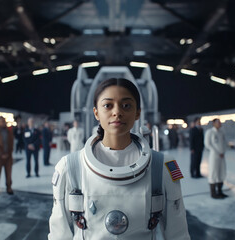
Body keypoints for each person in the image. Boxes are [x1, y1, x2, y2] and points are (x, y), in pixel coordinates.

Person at [48, 78, 190, 239]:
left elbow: (178, 232)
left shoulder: (164, 166)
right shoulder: (69, 168)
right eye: (108, 105)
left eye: (126, 105)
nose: (117, 112)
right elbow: (59, 234)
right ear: (96, 113)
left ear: (138, 113)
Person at [204, 119, 227, 199]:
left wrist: (223, 151)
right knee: (213, 173)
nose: (220, 123)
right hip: (214, 155)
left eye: (220, 122)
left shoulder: (221, 132)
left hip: (222, 155)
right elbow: (207, 144)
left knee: (221, 172)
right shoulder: (210, 132)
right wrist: (217, 152)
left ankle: (220, 191)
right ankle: (213, 193)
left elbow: (224, 143)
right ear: (213, 123)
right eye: (218, 122)